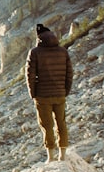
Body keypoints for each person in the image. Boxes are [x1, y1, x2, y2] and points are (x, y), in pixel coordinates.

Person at [26, 23, 72, 162]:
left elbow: (30, 75)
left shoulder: (35, 52)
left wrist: (33, 94)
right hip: (60, 94)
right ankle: (62, 156)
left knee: (47, 125)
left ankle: (50, 157)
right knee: (61, 124)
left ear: (39, 37)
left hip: (42, 96)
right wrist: (65, 91)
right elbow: (69, 74)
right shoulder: (63, 51)